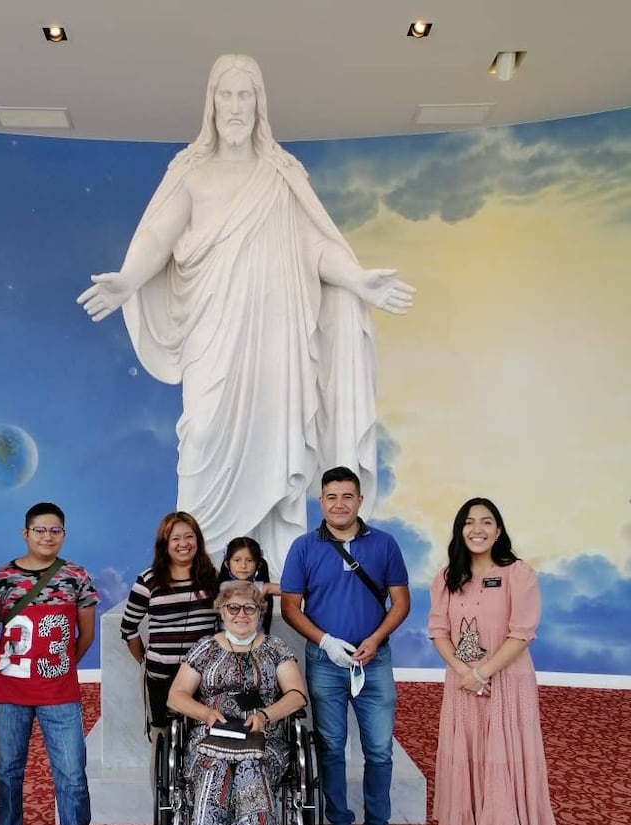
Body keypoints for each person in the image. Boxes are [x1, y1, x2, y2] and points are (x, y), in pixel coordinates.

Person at [77, 54, 415, 575]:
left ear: (260, 105)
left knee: (280, 455)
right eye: (226, 95)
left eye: (245, 95)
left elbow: (316, 249)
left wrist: (357, 280)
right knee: (204, 433)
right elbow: (157, 236)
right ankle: (199, 569)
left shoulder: (281, 175)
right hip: (212, 334)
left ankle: (279, 570)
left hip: (277, 339)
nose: (235, 107)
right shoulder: (191, 173)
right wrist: (128, 278)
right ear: (210, 104)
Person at [429, 498, 558, 825]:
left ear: (499, 530)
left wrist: (483, 672)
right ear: (460, 530)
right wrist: (465, 673)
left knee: (499, 762)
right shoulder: (448, 576)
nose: (478, 529)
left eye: (487, 522)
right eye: (469, 522)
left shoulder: (518, 574)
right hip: (463, 688)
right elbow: (438, 631)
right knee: (473, 761)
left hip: (505, 685)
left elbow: (521, 633)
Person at [281, 466, 410, 825]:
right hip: (325, 661)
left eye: (347, 496)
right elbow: (289, 607)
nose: (339, 503)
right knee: (331, 748)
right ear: (321, 502)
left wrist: (374, 640)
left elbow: (400, 602)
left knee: (379, 750)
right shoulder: (303, 547)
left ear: (360, 500)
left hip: (375, 660)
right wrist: (324, 641)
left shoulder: (385, 544)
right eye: (331, 496)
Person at [0, 502, 109, 825]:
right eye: (40, 530)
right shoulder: (0, 578)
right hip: (11, 690)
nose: (47, 537)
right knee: (8, 768)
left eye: (55, 530)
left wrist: (57, 664)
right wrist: (16, 665)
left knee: (70, 769)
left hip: (58, 689)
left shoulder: (76, 576)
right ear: (25, 533)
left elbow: (85, 636)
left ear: (64, 534)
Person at [167, 581, 307, 825]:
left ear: (260, 613)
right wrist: (205, 712)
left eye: (250, 608)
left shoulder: (275, 647)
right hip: (210, 736)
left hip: (262, 738)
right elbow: (176, 696)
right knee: (214, 765)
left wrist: (266, 714)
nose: (241, 615)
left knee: (249, 765)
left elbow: (297, 695)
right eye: (233, 608)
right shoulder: (205, 648)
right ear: (221, 612)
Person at [120, 511, 218, 745]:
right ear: (164, 543)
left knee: (205, 737)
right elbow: (128, 628)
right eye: (175, 538)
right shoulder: (148, 580)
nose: (183, 544)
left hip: (204, 676)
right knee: (163, 738)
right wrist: (146, 661)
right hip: (162, 676)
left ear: (198, 541)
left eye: (189, 536)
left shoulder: (211, 577)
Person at [218, 536, 279, 634]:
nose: (243, 566)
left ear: (258, 564)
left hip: (255, 644)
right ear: (227, 564)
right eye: (237, 560)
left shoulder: (261, 588)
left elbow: (291, 588)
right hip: (226, 644)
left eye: (249, 560)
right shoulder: (220, 588)